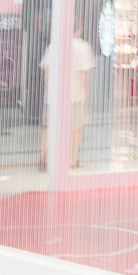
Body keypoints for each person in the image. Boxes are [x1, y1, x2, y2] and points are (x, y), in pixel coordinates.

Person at [38, 22, 96, 170]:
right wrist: (85, 93)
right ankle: (71, 160)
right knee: (75, 129)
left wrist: (53, 91)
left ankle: (43, 158)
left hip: (55, 97)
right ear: (80, 29)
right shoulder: (83, 47)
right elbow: (84, 74)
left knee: (51, 128)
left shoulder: (54, 46)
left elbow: (47, 74)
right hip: (75, 96)